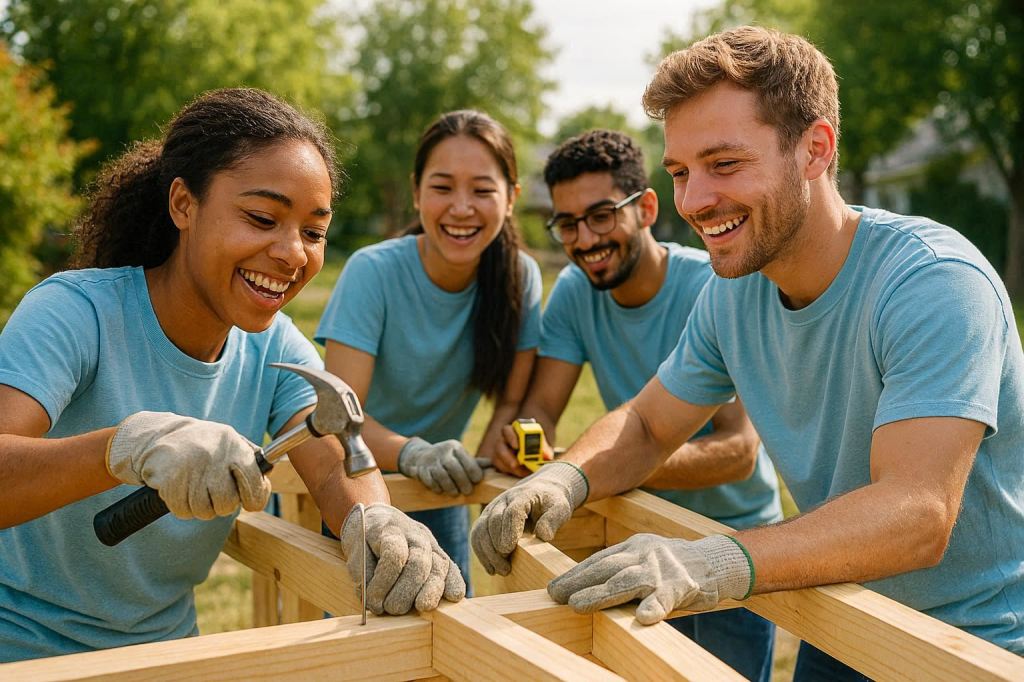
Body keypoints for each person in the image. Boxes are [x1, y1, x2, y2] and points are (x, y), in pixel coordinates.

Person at [471, 25, 1024, 676]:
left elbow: (916, 510)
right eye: (680, 172)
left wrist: (718, 559)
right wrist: (567, 477)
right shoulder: (734, 292)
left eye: (724, 164)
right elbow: (649, 424)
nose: (695, 201)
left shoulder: (933, 283)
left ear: (815, 149)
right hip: (837, 614)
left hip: (975, 648)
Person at [0, 88, 464, 663]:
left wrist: (375, 520)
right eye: (262, 218)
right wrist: (124, 447)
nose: (293, 253)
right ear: (183, 205)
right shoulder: (76, 313)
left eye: (314, 232)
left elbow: (336, 455)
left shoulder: (276, 346)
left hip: (166, 655)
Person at [484, 128, 781, 681]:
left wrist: (608, 469)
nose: (584, 239)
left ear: (645, 208)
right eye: (567, 223)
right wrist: (527, 438)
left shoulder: (714, 284)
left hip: (729, 541)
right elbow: (543, 408)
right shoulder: (574, 290)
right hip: (636, 542)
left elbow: (738, 451)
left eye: (600, 215)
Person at [315, 110, 542, 588]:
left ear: (511, 199)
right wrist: (415, 453)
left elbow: (511, 403)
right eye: (442, 187)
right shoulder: (371, 272)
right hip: (352, 484)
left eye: (482, 190)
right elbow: (338, 419)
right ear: (417, 192)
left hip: (441, 490)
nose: (462, 207)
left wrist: (484, 491)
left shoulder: (521, 278)